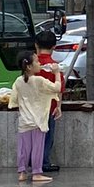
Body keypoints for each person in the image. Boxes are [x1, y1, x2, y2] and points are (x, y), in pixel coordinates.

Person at [8, 51, 62, 183]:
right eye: (37, 62)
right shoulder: (39, 80)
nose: (40, 64)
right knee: (37, 147)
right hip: (38, 121)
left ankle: (22, 172)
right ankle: (37, 173)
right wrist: (56, 73)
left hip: (24, 121)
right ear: (29, 67)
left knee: (23, 148)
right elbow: (57, 88)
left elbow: (14, 99)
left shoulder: (19, 81)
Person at [33, 30, 64, 173]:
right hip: (49, 108)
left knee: (32, 136)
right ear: (54, 47)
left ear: (36, 46)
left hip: (31, 108)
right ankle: (44, 162)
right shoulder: (55, 67)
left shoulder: (31, 66)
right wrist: (58, 106)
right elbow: (59, 89)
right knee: (47, 137)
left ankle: (31, 160)